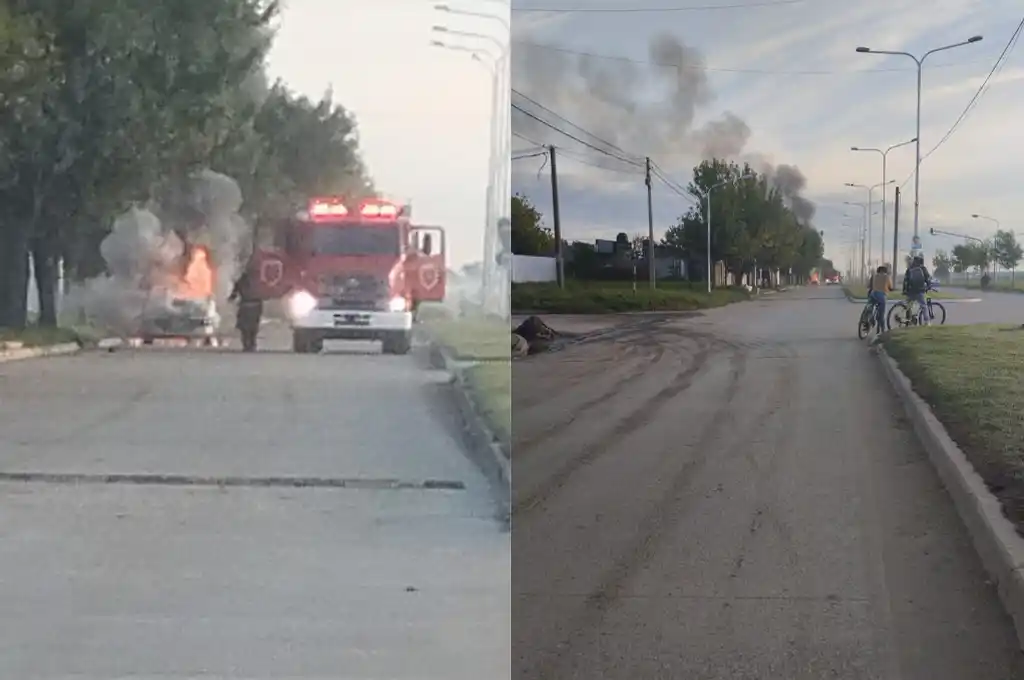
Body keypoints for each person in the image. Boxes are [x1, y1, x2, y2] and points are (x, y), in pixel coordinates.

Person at [229, 266, 263, 352]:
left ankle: (247, 343)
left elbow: (234, 294)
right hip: (255, 305)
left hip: (245, 306)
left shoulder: (241, 281)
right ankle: (252, 343)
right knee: (253, 326)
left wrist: (231, 299)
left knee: (245, 327)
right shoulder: (259, 282)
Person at [902, 255, 933, 325]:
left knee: (908, 305)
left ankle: (908, 320)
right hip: (920, 290)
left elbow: (905, 280)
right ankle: (927, 322)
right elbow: (927, 278)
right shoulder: (922, 268)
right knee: (924, 306)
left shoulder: (909, 269)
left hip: (910, 291)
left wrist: (904, 290)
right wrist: (929, 286)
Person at [867, 265, 892, 334]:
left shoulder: (874, 276)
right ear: (885, 271)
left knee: (870, 306)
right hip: (881, 295)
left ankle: (870, 317)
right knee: (881, 313)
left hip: (873, 294)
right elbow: (890, 287)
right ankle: (883, 330)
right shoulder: (887, 276)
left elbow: (868, 285)